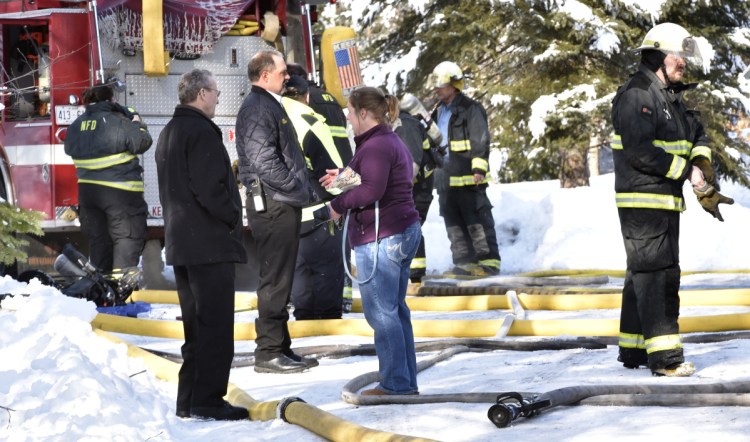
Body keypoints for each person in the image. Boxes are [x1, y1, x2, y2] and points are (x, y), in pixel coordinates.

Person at [611, 23, 733, 377]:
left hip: (663, 203)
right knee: (658, 276)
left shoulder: (670, 98)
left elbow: (697, 133)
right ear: (657, 57)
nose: (682, 63)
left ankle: (634, 350)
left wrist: (701, 163)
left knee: (643, 274)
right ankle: (666, 359)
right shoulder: (638, 95)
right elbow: (640, 152)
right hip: (643, 203)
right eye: (676, 56)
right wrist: (687, 172)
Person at [155, 69, 248, 420]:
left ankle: (189, 399)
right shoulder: (201, 133)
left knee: (195, 327)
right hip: (209, 244)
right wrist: (231, 216)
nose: (219, 97)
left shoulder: (169, 132)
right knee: (215, 327)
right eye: (216, 91)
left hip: (182, 244)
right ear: (201, 94)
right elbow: (210, 189)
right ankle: (208, 400)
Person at [320, 87, 422, 396]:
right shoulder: (384, 141)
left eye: (350, 111)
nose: (347, 117)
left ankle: (394, 384)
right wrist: (343, 177)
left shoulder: (376, 146)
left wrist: (336, 207)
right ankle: (404, 381)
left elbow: (373, 190)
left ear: (364, 113)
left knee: (382, 313)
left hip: (382, 238)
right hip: (399, 232)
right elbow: (374, 178)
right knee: (395, 310)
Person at [235, 50, 318, 374]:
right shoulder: (258, 108)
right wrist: (297, 190)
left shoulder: (267, 105)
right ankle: (268, 351)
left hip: (277, 202)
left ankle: (280, 346)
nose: (288, 77)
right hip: (273, 205)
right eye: (282, 72)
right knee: (275, 280)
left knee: (280, 279)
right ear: (265, 75)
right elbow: (264, 161)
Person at [64, 79, 152, 275]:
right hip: (121, 195)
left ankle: (102, 293)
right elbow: (142, 142)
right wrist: (137, 122)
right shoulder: (118, 122)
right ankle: (121, 295)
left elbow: (69, 147)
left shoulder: (76, 125)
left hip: (88, 196)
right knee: (126, 240)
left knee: (99, 242)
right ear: (111, 99)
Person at [287, 62, 355, 310]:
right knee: (327, 275)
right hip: (321, 211)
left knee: (301, 281)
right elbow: (333, 171)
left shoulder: (270, 114)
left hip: (286, 215)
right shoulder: (314, 117)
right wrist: (357, 185)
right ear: (306, 95)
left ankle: (305, 323)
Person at [429, 61, 501, 277]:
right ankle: (464, 264)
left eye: (441, 85)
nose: (437, 89)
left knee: (476, 222)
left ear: (454, 85)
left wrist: (479, 167)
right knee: (454, 224)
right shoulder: (437, 112)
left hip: (469, 178)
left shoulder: (471, 109)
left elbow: (480, 139)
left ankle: (488, 263)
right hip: (445, 180)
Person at [388, 95, 439, 283]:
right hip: (413, 188)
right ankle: (410, 273)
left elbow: (412, 163)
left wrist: (398, 189)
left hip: (417, 189)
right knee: (405, 225)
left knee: (408, 225)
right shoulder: (396, 126)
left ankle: (415, 275)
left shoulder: (406, 126)